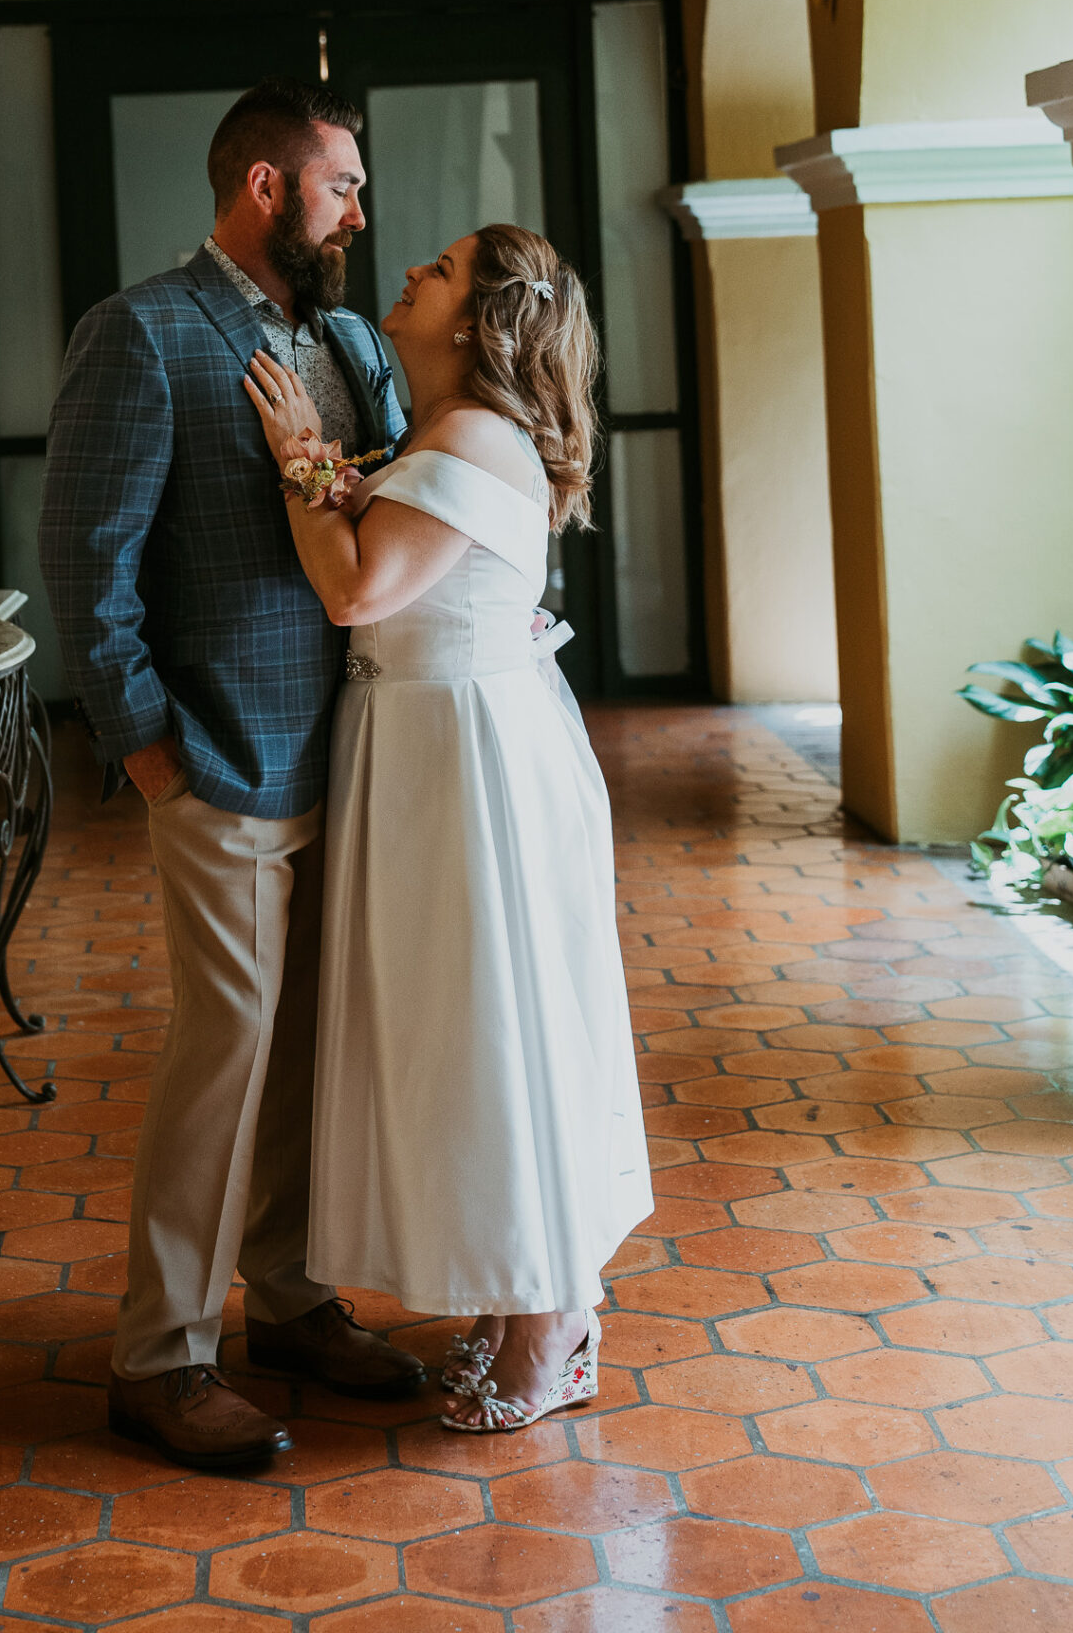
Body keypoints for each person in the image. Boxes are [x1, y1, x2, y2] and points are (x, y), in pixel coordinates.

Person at [40, 78, 426, 1472]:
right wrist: (149, 753)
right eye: (339, 185)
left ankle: (290, 1296)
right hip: (215, 760)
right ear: (265, 188)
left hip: (356, 755)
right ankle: (159, 1356)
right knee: (225, 1053)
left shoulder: (337, 339)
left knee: (312, 1047)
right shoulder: (140, 334)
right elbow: (87, 571)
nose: (357, 210)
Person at [242, 223, 653, 1431]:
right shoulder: (442, 427)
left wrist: (300, 462)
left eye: (446, 268)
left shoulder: (473, 433)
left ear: (478, 321)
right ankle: (513, 1289)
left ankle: (553, 1316)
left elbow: (357, 588)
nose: (417, 267)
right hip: (421, 749)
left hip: (466, 764)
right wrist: (341, 475)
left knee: (495, 1031)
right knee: (459, 1035)